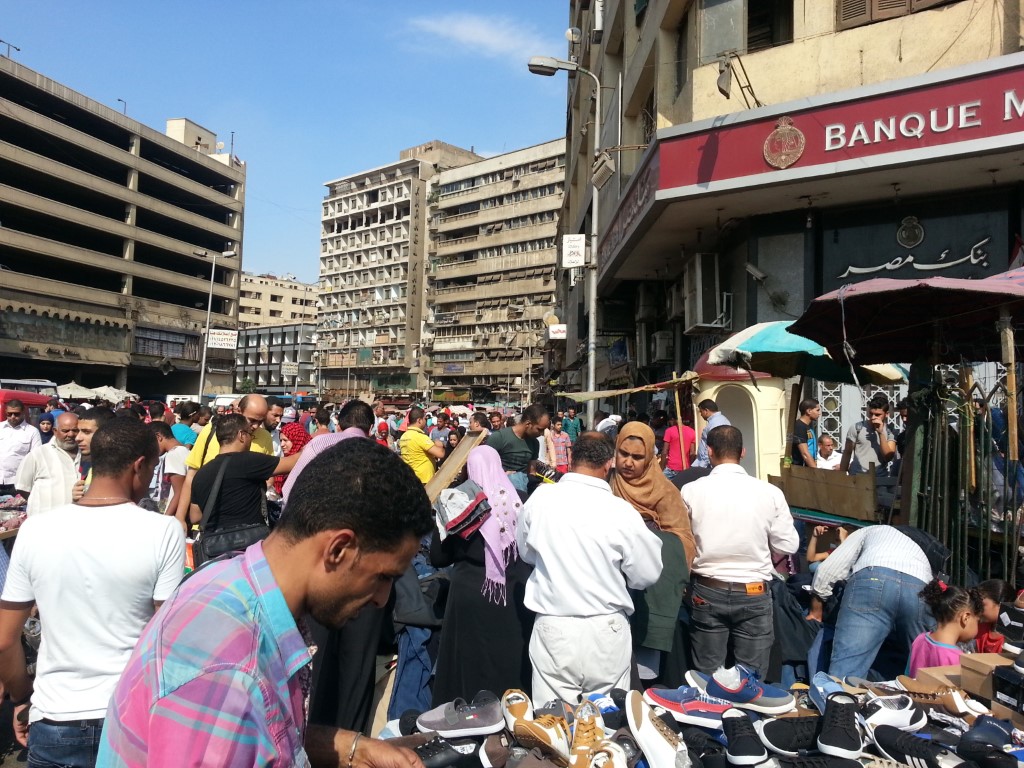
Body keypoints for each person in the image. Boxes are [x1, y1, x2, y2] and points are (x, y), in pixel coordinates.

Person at [98, 439, 433, 767]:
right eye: (383, 576)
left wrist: (350, 748)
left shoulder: (232, 579)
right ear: (338, 550)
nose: (382, 600)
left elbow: (258, 739)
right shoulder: (232, 673)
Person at [0, 419, 184, 767]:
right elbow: (167, 634)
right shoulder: (164, 531)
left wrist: (23, 698)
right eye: (151, 470)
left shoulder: (35, 530)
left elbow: (5, 639)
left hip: (54, 715)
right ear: (139, 465)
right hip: (131, 714)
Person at [517, 432, 663, 704]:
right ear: (609, 464)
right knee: (607, 716)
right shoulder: (622, 512)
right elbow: (646, 574)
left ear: (571, 458)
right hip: (605, 628)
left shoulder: (540, 500)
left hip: (555, 625)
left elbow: (526, 553)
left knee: (553, 719)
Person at [682, 425, 799, 676]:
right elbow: (787, 545)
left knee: (707, 677)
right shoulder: (770, 493)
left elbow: (682, 540)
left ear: (709, 451)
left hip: (707, 589)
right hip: (753, 591)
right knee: (750, 680)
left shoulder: (691, 491)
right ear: (742, 452)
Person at [430, 445, 534, 705]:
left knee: (470, 666)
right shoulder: (520, 499)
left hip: (469, 594)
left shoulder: (455, 502)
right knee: (511, 661)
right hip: (514, 592)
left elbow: (438, 558)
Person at [811, 525, 933, 680]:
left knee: (845, 673)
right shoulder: (915, 548)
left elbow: (826, 570)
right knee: (925, 674)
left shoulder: (866, 531)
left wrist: (816, 610)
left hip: (873, 578)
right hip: (919, 588)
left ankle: (841, 694)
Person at [185, 414, 304, 532]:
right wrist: (311, 442)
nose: (251, 439)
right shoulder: (250, 461)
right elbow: (293, 462)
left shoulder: (201, 474)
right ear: (241, 435)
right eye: (250, 434)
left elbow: (195, 517)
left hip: (213, 540)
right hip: (248, 538)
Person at [611, 422, 696, 566]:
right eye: (623, 454)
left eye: (637, 457)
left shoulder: (665, 492)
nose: (628, 463)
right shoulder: (606, 481)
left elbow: (683, 542)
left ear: (649, 458)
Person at [281, 400, 375, 503]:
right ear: (371, 428)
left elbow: (289, 489)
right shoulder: (378, 453)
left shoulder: (318, 443)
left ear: (339, 425)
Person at [907, 580, 981, 676]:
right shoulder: (958, 659)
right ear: (965, 618)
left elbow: (907, 675)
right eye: (978, 621)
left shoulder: (919, 639)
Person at [15, 413, 80, 516]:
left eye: (75, 430)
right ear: (55, 431)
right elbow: (23, 488)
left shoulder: (88, 455)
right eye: (65, 431)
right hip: (44, 521)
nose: (71, 434)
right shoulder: (38, 455)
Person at [486, 403, 550, 493]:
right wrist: (503, 475)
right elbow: (484, 468)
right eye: (539, 429)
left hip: (523, 489)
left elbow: (531, 472)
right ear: (528, 424)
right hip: (500, 490)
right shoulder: (499, 437)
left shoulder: (534, 443)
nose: (542, 433)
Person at [840, 394, 897, 475]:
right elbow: (847, 452)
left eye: (877, 415)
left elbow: (888, 457)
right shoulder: (857, 428)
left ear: (886, 414)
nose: (873, 417)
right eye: (870, 414)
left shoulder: (890, 431)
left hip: (879, 477)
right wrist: (842, 475)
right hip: (857, 476)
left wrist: (880, 433)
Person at [0, 399, 40, 497]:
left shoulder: (32, 432)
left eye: (16, 414)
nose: (13, 416)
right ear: (6, 412)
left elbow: (36, 458)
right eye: (9, 414)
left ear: (23, 412)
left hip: (17, 483)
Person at [149, 422, 189, 518]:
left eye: (150, 444)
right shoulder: (182, 451)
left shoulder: (174, 454)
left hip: (170, 516)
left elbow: (179, 492)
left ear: (158, 437)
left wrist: (165, 518)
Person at [399, 406, 445, 484]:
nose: (426, 421)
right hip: (424, 480)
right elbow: (440, 453)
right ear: (419, 420)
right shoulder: (419, 436)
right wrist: (440, 445)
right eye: (425, 419)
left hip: (411, 477)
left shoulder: (404, 436)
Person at [974, 579, 1015, 653]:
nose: (976, 608)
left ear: (1000, 605)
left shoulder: (1015, 639)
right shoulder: (978, 628)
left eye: (981, 605)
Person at [273, 423, 311, 499]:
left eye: (285, 440)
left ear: (296, 440)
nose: (282, 444)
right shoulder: (285, 460)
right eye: (281, 440)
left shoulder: (307, 464)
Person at [692, 399, 730, 468]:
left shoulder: (715, 424)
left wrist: (702, 465)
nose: (701, 415)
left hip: (709, 464)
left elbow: (712, 446)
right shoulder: (722, 420)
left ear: (706, 411)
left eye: (701, 411)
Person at [661, 414, 695, 479]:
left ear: (673, 420)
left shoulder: (669, 431)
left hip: (671, 468)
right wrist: (689, 467)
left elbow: (664, 451)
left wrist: (662, 468)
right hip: (685, 468)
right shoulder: (692, 431)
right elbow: (692, 453)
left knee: (661, 483)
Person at [790, 398, 820, 467]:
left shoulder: (808, 427)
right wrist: (815, 471)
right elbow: (805, 453)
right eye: (817, 410)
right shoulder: (799, 426)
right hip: (800, 469)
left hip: (808, 468)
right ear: (809, 411)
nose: (819, 413)